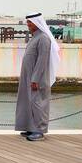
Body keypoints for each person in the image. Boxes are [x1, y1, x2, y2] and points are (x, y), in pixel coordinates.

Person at [15, 13, 60, 141]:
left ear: (37, 23)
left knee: (38, 103)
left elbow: (42, 61)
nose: (28, 25)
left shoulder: (43, 39)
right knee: (28, 101)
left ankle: (39, 131)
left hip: (37, 78)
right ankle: (30, 127)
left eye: (30, 22)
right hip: (28, 77)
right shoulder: (35, 37)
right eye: (27, 22)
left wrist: (35, 79)